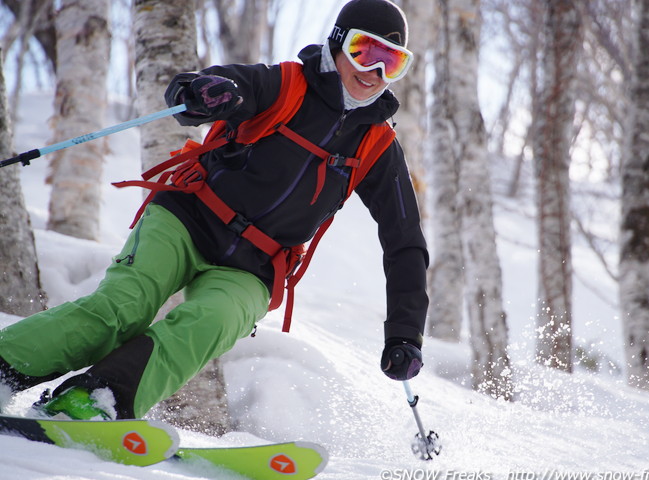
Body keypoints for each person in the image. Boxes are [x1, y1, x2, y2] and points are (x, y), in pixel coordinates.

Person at [0, 0, 428, 421]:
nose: (374, 73)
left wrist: (406, 336)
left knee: (210, 321)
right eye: (365, 52)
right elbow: (211, 88)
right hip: (190, 219)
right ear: (337, 45)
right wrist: (205, 93)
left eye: (391, 62)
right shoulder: (285, 84)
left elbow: (404, 241)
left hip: (255, 265)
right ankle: (5, 367)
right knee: (123, 308)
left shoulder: (377, 147)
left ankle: (96, 404)